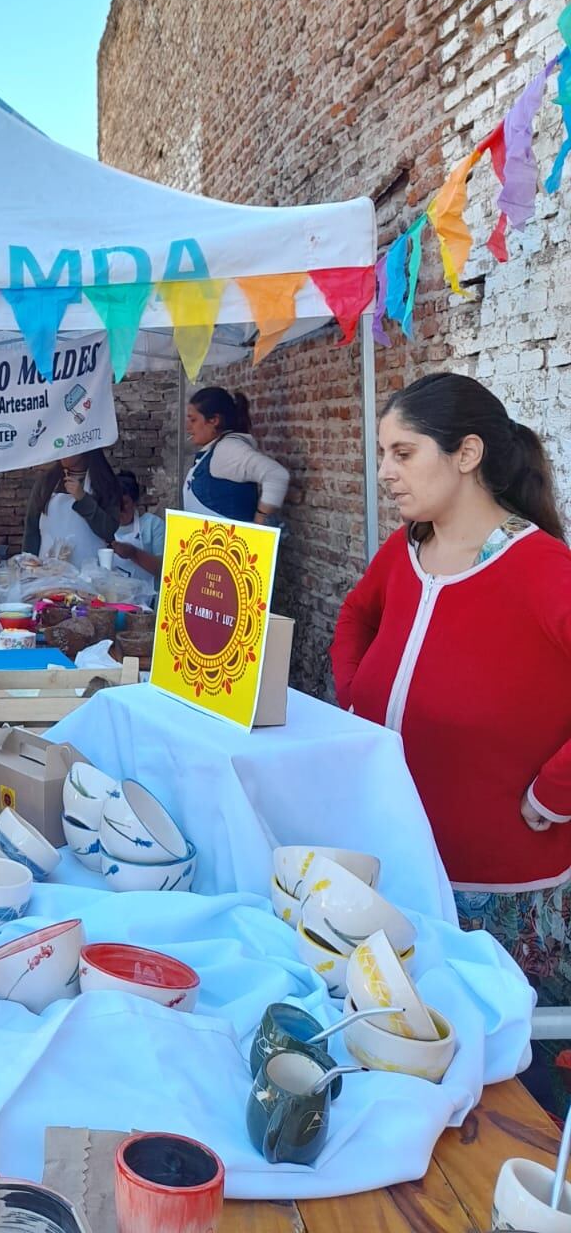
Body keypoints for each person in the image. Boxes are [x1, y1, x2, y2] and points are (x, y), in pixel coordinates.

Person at [332, 372, 571, 1104]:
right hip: (397, 858)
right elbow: (354, 621)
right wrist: (357, 700)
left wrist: (555, 789)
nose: (386, 473)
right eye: (382, 453)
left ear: (467, 453)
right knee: (403, 1069)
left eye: (404, 453)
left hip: (497, 886)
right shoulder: (402, 554)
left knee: (504, 1085)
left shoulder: (542, 569)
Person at [183, 387, 289, 524]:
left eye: (193, 420)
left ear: (214, 420)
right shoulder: (214, 449)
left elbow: (276, 474)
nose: (188, 428)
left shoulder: (227, 449)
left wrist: (261, 519)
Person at [23, 451, 120, 569]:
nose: (63, 451)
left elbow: (109, 531)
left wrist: (83, 499)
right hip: (48, 574)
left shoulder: (104, 483)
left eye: (69, 445)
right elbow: (32, 530)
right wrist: (27, 566)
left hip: (90, 574)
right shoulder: (46, 482)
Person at [109, 471, 167, 600]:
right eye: (114, 503)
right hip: (112, 600)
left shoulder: (153, 525)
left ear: (135, 502)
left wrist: (133, 553)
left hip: (146, 602)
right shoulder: (103, 525)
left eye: (125, 503)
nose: (120, 509)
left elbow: (163, 570)